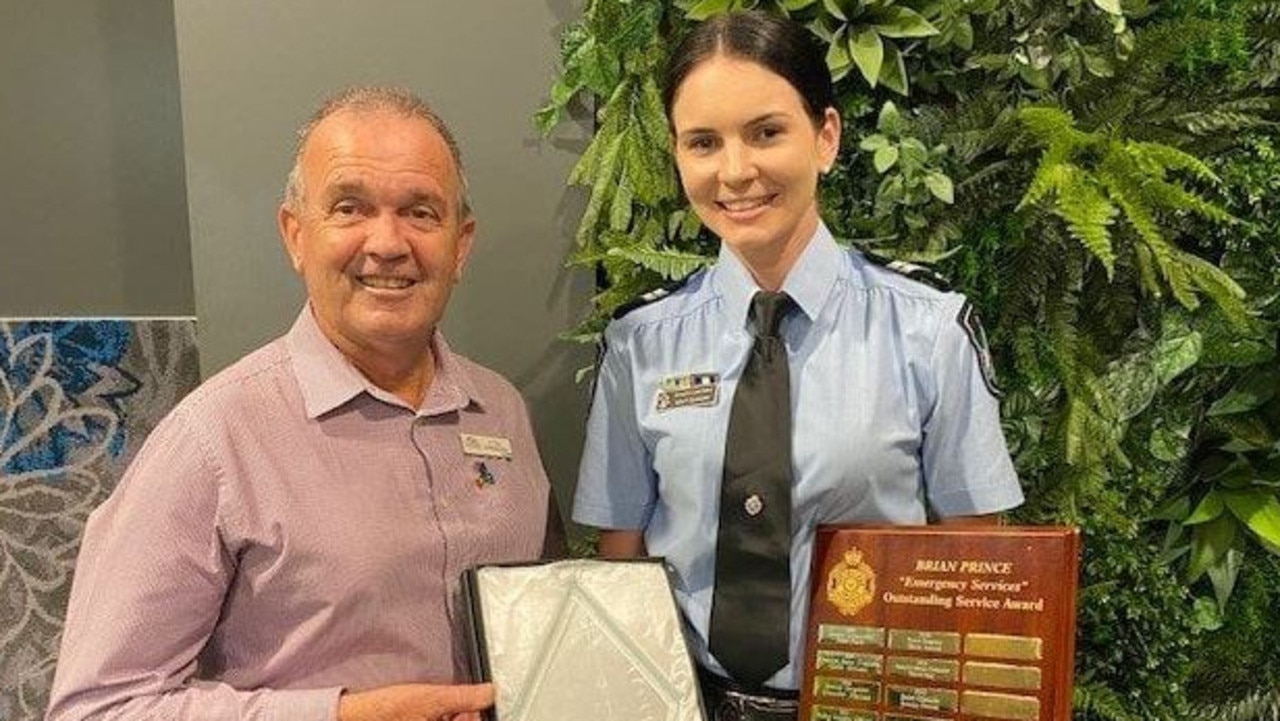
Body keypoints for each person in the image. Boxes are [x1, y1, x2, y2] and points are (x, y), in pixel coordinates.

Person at [46, 86, 561, 721]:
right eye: (350, 208)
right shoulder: (213, 442)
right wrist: (338, 718)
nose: (388, 242)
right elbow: (97, 709)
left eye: (422, 213)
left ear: (461, 244)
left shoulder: (502, 412)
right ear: (295, 235)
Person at [572, 11, 1024, 721]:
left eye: (766, 132)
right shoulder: (640, 343)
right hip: (689, 698)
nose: (735, 171)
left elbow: (974, 567)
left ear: (826, 136)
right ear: (677, 154)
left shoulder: (929, 330)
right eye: (703, 142)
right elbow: (621, 554)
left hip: (870, 702)